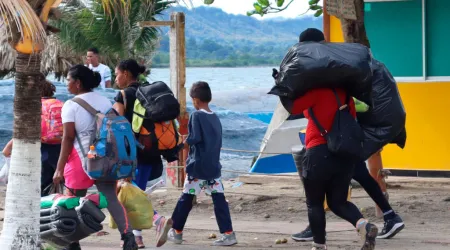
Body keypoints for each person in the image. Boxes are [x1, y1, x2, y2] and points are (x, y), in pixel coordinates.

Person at [291, 28, 404, 243]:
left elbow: (294, 106)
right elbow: (354, 109)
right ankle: (369, 223)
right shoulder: (343, 90)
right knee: (339, 200)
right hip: (346, 147)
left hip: (321, 149)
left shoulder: (315, 90)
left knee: (315, 200)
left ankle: (317, 239)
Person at [53, 65, 137, 250]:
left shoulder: (71, 105)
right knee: (112, 199)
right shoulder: (104, 101)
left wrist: (59, 167)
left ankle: (72, 242)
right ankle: (128, 235)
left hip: (79, 158)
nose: (66, 84)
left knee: (72, 201)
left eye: (68, 80)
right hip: (103, 157)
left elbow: (68, 137)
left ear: (77, 83)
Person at [167, 81, 237, 246]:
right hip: (213, 167)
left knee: (186, 198)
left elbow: (194, 138)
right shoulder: (215, 117)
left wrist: (180, 145)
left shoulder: (196, 115)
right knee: (219, 200)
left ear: (196, 99)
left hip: (198, 167)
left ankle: (176, 231)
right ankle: (228, 234)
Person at [113, 59, 172, 248]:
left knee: (130, 194)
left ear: (126, 73)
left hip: (131, 154)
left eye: (117, 74)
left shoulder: (123, 95)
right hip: (150, 152)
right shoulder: (148, 93)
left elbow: (116, 127)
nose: (116, 78)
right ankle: (137, 238)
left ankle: (157, 220)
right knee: (136, 193)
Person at [3, 78, 62, 196]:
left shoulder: (34, 106)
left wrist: (8, 147)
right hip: (60, 149)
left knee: (40, 187)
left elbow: (25, 130)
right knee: (55, 185)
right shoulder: (61, 104)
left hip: (40, 148)